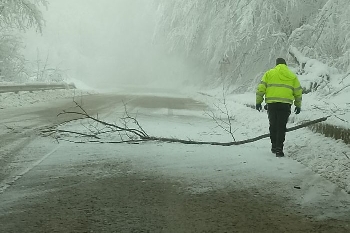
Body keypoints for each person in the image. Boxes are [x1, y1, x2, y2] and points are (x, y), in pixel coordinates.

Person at [256, 58, 302, 157]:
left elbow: (261, 88)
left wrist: (258, 102)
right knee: (281, 126)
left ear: (276, 64)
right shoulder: (292, 76)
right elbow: (298, 91)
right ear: (285, 64)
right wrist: (298, 105)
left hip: (272, 104)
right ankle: (279, 149)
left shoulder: (269, 73)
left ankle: (273, 146)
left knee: (273, 125)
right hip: (285, 104)